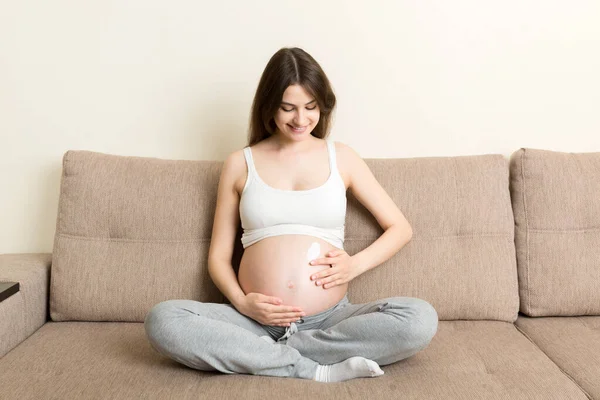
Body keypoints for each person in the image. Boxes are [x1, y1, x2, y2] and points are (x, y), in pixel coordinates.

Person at [144, 47, 438, 383]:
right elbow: (218, 258)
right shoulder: (240, 163)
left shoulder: (342, 157)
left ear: (322, 106)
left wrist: (354, 265)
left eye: (310, 107)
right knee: (163, 320)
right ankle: (313, 368)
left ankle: (275, 353)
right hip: (253, 321)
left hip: (330, 320)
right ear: (269, 106)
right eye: (288, 108)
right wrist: (242, 304)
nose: (300, 119)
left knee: (419, 318)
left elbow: (400, 228)